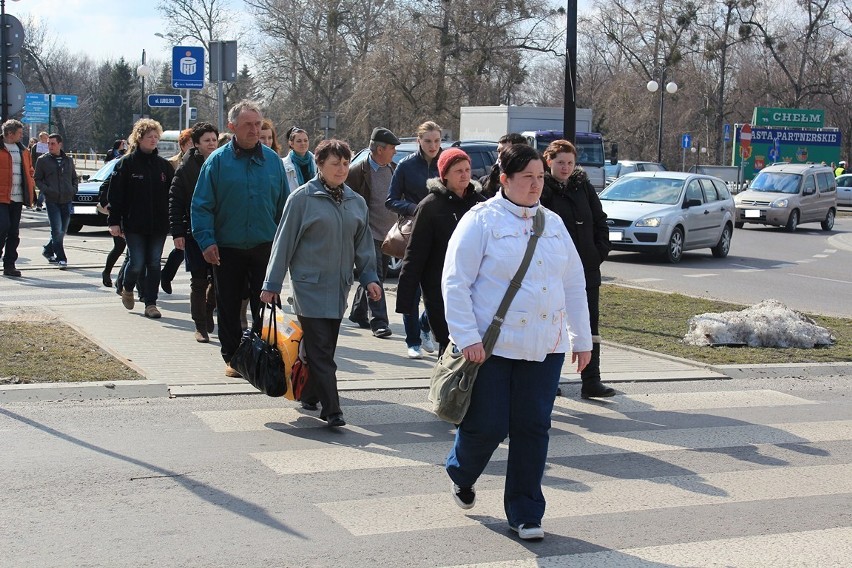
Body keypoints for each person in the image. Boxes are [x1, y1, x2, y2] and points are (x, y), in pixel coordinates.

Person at [442, 143, 592, 541]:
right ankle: (461, 471)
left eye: (540, 177)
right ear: (504, 180)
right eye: (527, 177)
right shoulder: (481, 220)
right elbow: (455, 282)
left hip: (546, 344)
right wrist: (466, 338)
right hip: (492, 347)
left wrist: (582, 337)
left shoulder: (553, 223)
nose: (536, 185)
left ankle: (526, 513)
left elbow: (574, 284)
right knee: (487, 426)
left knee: (533, 427)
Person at [261, 139, 381, 428]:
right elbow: (283, 243)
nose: (341, 169)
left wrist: (370, 278)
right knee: (321, 349)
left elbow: (363, 246)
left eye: (344, 163)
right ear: (319, 165)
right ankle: (332, 409)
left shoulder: (356, 201)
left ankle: (310, 394)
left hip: (338, 287)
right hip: (308, 286)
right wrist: (271, 283)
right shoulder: (302, 199)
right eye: (334, 164)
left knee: (322, 348)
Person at [192, 100, 290, 378]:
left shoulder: (272, 161)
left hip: (264, 246)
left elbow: (284, 206)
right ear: (232, 126)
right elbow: (201, 205)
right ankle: (234, 357)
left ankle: (266, 353)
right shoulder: (217, 161)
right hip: (227, 247)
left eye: (258, 124)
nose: (254, 130)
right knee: (229, 303)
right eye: (248, 125)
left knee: (268, 303)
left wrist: (285, 246)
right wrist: (206, 241)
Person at [541, 139, 615, 399]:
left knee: (590, 324)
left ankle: (591, 380)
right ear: (548, 161)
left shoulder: (582, 185)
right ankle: (549, 380)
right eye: (560, 162)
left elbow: (599, 219)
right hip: (553, 272)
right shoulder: (542, 189)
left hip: (587, 268)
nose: (565, 168)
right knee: (554, 325)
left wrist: (598, 252)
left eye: (570, 163)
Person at [396, 147, 485, 355]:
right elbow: (415, 254)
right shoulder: (430, 207)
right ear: (444, 175)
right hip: (440, 288)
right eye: (458, 171)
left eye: (467, 169)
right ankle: (445, 386)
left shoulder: (481, 203)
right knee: (449, 348)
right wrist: (405, 298)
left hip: (477, 289)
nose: (465, 175)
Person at [386, 120, 443, 358]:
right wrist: (414, 208)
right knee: (412, 289)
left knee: (441, 290)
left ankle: (425, 325)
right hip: (413, 233)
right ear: (419, 141)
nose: (433, 145)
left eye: (437, 141)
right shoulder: (406, 166)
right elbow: (390, 200)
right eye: (428, 141)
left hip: (441, 233)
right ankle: (413, 341)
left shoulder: (445, 163)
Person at [107, 118, 174, 319]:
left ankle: (150, 303)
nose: (153, 140)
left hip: (158, 225)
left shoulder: (164, 166)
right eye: (149, 137)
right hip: (134, 223)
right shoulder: (126, 164)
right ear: (139, 138)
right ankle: (127, 287)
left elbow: (172, 194)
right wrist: (114, 221)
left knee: (154, 263)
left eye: (156, 136)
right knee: (136, 262)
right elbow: (116, 195)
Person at [346, 127, 401, 338]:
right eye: (392, 148)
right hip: (367, 234)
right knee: (376, 277)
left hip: (389, 236)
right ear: (380, 149)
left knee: (377, 276)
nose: (394, 152)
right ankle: (379, 322)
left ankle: (359, 313)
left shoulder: (394, 170)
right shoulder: (356, 172)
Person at [169, 122, 219, 342]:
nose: (211, 144)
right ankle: (200, 325)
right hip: (194, 232)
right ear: (196, 144)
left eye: (214, 140)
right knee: (199, 280)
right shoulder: (187, 167)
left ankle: (209, 309)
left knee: (219, 280)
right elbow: (175, 200)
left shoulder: (223, 163)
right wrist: (177, 232)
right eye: (206, 140)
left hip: (221, 231)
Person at [35, 134, 78, 269]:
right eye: (48, 143)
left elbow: (74, 177)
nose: (50, 146)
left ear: (60, 144)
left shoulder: (68, 160)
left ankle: (48, 250)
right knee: (56, 230)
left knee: (62, 230)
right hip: (52, 200)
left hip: (66, 199)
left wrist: (73, 189)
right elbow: (37, 179)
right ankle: (61, 258)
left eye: (53, 143)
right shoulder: (43, 160)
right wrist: (47, 190)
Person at [160, 128, 194, 295]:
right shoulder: (172, 164)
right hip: (178, 209)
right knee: (181, 248)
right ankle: (166, 275)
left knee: (184, 250)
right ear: (182, 145)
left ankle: (166, 275)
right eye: (189, 143)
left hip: (192, 210)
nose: (193, 146)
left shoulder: (202, 160)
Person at [0, 119, 36, 277]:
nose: (22, 136)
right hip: (1, 197)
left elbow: (29, 170)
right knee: (3, 227)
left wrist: (31, 181)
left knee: (14, 232)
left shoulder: (23, 151)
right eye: (20, 133)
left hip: (18, 197)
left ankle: (10, 265)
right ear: (9, 133)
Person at [480, 132, 527, 198]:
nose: (500, 156)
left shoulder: (532, 183)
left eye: (506, 151)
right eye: (499, 151)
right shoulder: (485, 182)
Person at [282, 126, 315, 191]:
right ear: (291, 143)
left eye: (305, 140)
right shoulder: (283, 164)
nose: (303, 143)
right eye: (299, 141)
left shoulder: (317, 162)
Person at [30, 132, 49, 210]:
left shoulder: (49, 145)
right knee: (42, 186)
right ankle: (40, 203)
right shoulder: (36, 146)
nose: (46, 139)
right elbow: (33, 158)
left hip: (48, 169)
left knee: (44, 186)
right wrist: (34, 168)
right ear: (41, 138)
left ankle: (40, 203)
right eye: (45, 137)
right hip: (38, 169)